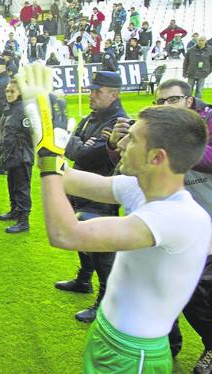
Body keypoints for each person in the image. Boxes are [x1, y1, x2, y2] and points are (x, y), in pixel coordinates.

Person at [17, 63, 211, 374]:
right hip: (110, 335)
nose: (119, 145)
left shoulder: (176, 217)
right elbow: (67, 178)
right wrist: (43, 133)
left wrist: (50, 161)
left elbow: (65, 234)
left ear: (157, 158)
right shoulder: (141, 187)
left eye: (132, 140)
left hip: (133, 354)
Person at [108, 78, 212, 372]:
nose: (165, 106)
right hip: (170, 223)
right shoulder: (163, 135)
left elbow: (205, 157)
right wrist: (120, 146)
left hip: (203, 227)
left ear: (189, 101)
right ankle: (169, 344)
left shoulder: (191, 131)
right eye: (160, 102)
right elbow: (130, 171)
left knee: (199, 300)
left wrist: (165, 144)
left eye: (172, 100)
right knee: (165, 290)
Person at [56, 71, 127, 323]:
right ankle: (84, 280)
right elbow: (72, 144)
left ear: (113, 94)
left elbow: (81, 153)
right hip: (81, 187)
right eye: (92, 89)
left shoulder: (118, 121)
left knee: (102, 251)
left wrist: (73, 142)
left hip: (100, 192)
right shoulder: (93, 118)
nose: (91, 94)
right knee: (83, 239)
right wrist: (76, 143)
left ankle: (105, 302)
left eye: (97, 91)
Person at [0, 80, 33, 233]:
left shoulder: (24, 110)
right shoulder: (9, 108)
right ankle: (14, 211)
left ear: (20, 93)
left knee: (22, 188)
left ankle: (23, 221)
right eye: (7, 91)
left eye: (12, 91)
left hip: (21, 155)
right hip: (11, 155)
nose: (9, 94)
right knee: (12, 185)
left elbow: (31, 134)